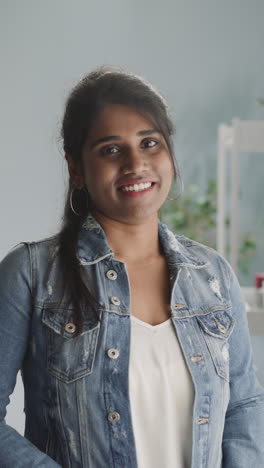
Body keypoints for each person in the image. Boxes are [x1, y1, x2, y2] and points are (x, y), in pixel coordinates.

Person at [0, 67, 263, 468]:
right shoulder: (30, 275)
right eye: (110, 149)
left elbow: (244, 406)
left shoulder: (214, 276)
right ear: (76, 169)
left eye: (150, 143)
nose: (135, 163)